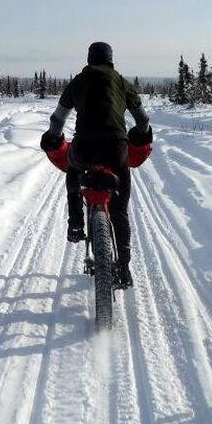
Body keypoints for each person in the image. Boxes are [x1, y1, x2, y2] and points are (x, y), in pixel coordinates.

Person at [40, 42, 152, 288]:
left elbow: (58, 118)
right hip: (116, 148)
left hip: (84, 146)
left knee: (73, 173)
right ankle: (123, 267)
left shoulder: (79, 80)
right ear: (111, 60)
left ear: (89, 59)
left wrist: (53, 138)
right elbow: (142, 119)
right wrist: (139, 134)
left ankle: (76, 224)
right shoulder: (122, 81)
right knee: (120, 211)